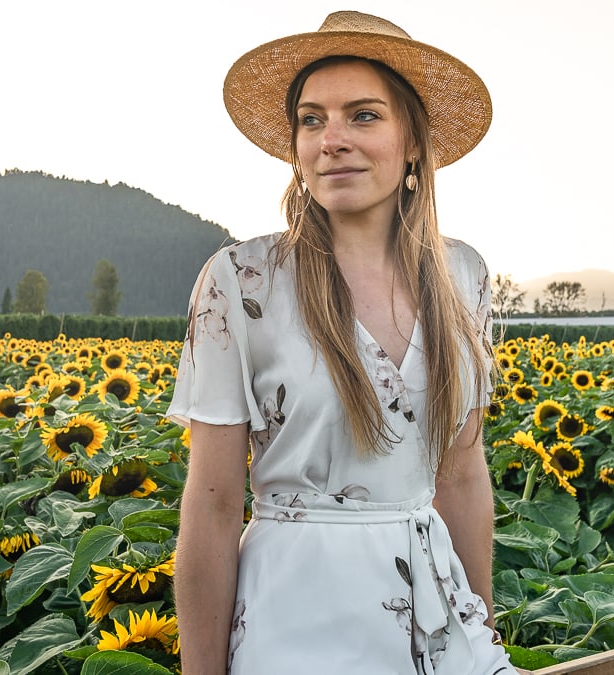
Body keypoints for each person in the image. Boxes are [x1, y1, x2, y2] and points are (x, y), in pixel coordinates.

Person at [167, 10, 517, 675]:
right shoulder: (242, 282)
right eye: (312, 118)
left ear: (412, 139)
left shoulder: (463, 276)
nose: (332, 139)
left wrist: (483, 635)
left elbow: (463, 473)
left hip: (438, 622)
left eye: (362, 115)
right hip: (295, 622)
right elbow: (212, 505)